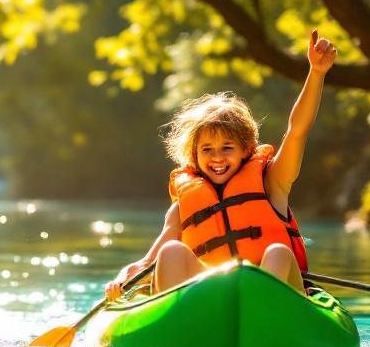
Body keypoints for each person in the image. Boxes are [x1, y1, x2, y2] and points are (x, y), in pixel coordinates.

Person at [106, 30, 338, 301]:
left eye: (227, 148)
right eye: (207, 149)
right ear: (194, 155)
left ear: (246, 150)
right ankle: (183, 325)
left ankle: (263, 318)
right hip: (213, 299)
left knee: (278, 251)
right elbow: (148, 261)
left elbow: (297, 131)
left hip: (273, 298)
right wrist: (122, 279)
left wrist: (316, 73)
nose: (217, 157)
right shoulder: (182, 208)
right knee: (170, 252)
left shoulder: (271, 182)